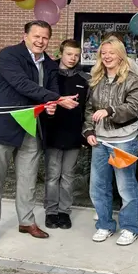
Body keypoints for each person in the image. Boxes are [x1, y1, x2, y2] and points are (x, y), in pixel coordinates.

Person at [0, 21, 79, 246]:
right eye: (36, 36)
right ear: (25, 36)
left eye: (45, 37)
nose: (40, 41)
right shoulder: (9, 55)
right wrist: (55, 100)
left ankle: (26, 221)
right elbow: (21, 84)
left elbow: (52, 92)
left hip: (32, 127)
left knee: (28, 179)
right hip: (2, 127)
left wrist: (52, 104)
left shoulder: (50, 64)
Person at [83, 36, 138, 246]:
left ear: (120, 55)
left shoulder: (132, 79)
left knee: (125, 187)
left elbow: (133, 107)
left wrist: (110, 110)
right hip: (100, 141)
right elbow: (90, 109)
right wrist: (89, 131)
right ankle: (104, 224)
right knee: (98, 186)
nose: (107, 56)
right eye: (104, 52)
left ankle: (130, 227)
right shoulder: (96, 78)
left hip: (124, 141)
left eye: (112, 52)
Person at [41, 39, 90, 230]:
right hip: (52, 132)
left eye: (76, 55)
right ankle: (51, 212)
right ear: (61, 53)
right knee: (53, 175)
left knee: (68, 176)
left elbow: (87, 108)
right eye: (69, 54)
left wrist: (86, 132)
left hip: (73, 134)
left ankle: (64, 212)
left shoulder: (84, 80)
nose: (73, 58)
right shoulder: (50, 75)